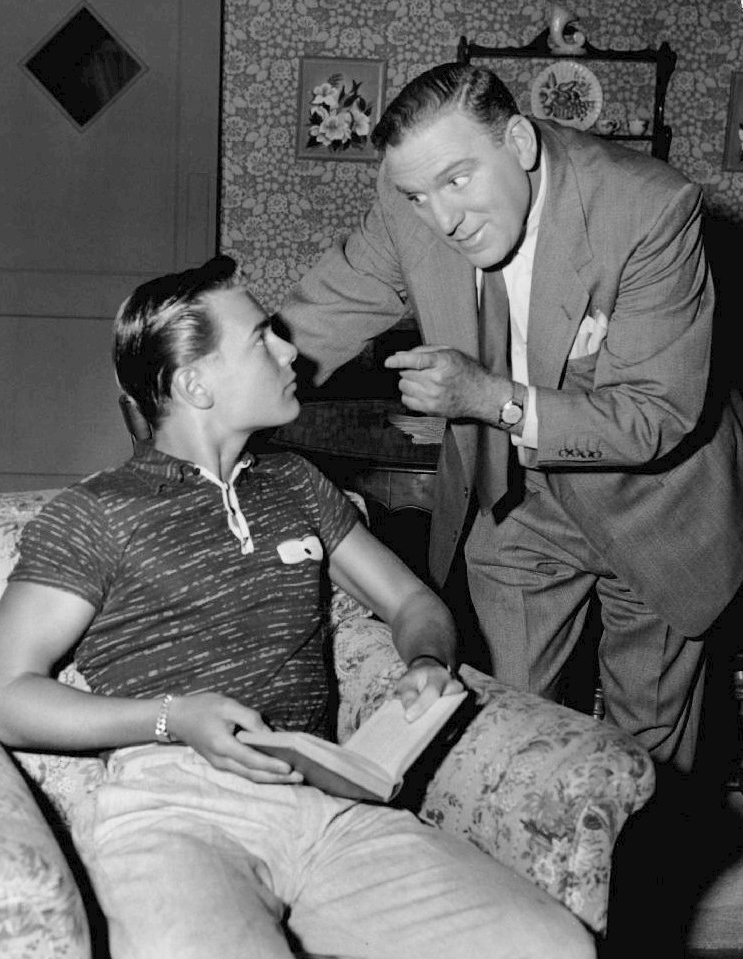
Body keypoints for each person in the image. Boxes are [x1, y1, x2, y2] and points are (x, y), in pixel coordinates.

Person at [0, 255, 592, 959]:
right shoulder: (97, 512)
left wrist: (427, 659)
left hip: (324, 798)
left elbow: (410, 602)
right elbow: (2, 694)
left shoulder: (296, 484)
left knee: (551, 944)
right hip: (173, 808)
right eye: (261, 338)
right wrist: (172, 717)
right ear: (195, 384)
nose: (289, 352)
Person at [279, 62, 743, 776]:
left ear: (520, 143)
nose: (443, 219)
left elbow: (655, 414)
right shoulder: (411, 200)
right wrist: (210, 384)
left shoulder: (649, 207)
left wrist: (488, 398)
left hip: (655, 502)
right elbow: (321, 313)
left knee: (645, 761)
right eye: (418, 196)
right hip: (515, 501)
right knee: (513, 738)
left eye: (458, 180)